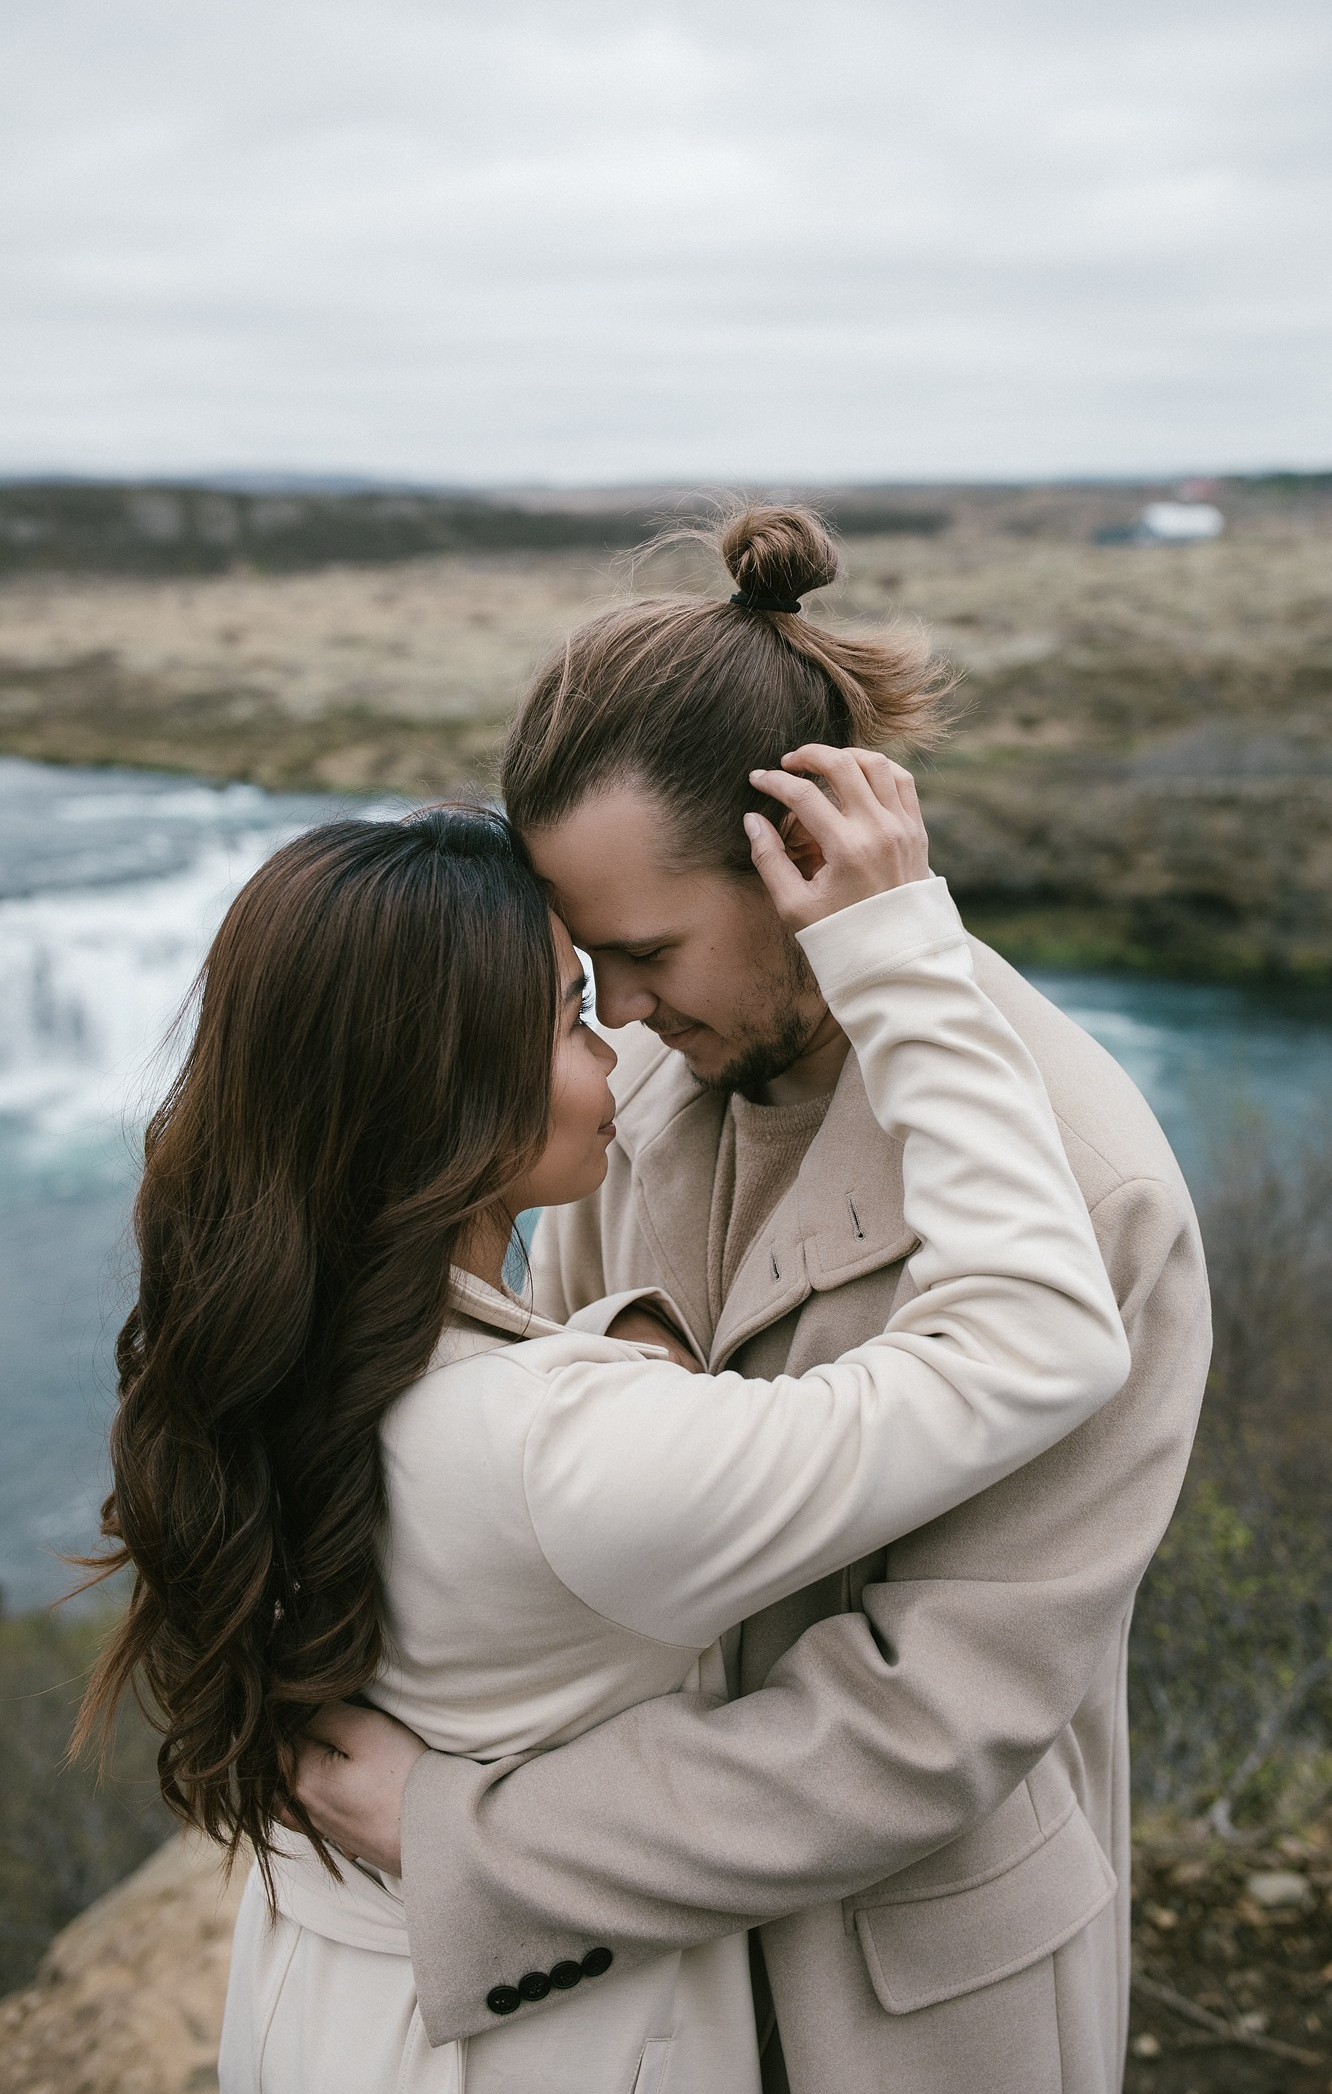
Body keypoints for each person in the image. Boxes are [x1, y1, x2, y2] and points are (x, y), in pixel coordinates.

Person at [294, 504, 1212, 2094]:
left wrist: (474, 1842)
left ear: (799, 871)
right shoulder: (634, 1084)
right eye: (588, 973)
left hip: (906, 1997)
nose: (619, 1012)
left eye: (644, 952)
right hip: (627, 1997)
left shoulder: (1087, 1184)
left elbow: (938, 1720)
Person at [75, 750, 1129, 2094]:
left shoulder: (259, 1351)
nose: (620, 1047)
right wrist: (903, 956)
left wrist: (619, 1330)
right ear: (446, 1095)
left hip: (321, 2012)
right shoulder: (565, 1451)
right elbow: (1040, 1338)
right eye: (573, 1023)